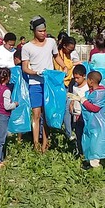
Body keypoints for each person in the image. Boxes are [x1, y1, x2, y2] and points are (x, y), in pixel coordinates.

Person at [21, 16, 66, 152]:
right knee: (36, 114)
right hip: (35, 83)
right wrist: (35, 72)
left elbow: (56, 56)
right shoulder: (27, 47)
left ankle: (45, 143)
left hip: (49, 84)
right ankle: (35, 143)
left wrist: (64, 66)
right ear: (34, 31)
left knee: (47, 114)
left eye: (45, 31)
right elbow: (25, 67)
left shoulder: (51, 42)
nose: (43, 33)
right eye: (40, 31)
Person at [76, 70, 105, 169]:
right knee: (94, 140)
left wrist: (83, 101)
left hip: (100, 122)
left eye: (87, 80)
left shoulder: (99, 94)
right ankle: (94, 161)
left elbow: (95, 108)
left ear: (91, 81)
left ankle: (95, 165)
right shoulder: (94, 92)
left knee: (96, 143)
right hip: (94, 123)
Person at [0, 67, 19, 168]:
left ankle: (1, 158)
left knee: (0, 137)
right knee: (1, 139)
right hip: (3, 116)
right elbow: (7, 106)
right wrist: (15, 104)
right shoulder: (6, 91)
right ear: (8, 77)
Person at [68, 64, 90, 151]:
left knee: (86, 131)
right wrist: (71, 103)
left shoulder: (87, 87)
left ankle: (87, 150)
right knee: (78, 132)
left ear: (84, 76)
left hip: (84, 113)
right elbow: (74, 96)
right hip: (76, 113)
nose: (76, 80)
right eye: (75, 78)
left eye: (78, 78)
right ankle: (80, 150)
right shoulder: (75, 86)